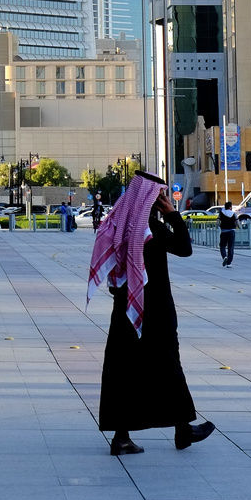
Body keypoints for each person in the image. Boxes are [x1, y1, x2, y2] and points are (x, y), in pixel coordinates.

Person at [88, 170, 215, 456]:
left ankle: (136, 435)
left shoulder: (116, 226)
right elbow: (184, 248)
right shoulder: (150, 231)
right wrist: (172, 214)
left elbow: (112, 273)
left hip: (125, 310)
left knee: (125, 370)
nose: (164, 200)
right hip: (154, 310)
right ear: (150, 199)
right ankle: (181, 429)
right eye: (161, 196)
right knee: (169, 366)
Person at [218, 200, 237, 267]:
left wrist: (220, 226)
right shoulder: (233, 213)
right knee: (230, 247)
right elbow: (237, 223)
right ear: (230, 207)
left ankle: (224, 256)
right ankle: (229, 263)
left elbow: (218, 222)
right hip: (232, 231)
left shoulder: (221, 213)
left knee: (222, 246)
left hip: (224, 231)